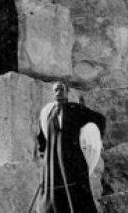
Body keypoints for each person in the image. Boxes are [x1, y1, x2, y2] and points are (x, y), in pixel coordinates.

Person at [31, 81, 106, 213]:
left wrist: (94, 138)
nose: (59, 93)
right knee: (53, 196)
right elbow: (42, 137)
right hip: (53, 162)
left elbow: (100, 119)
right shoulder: (48, 113)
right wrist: (43, 155)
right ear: (52, 94)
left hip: (73, 159)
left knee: (77, 195)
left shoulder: (75, 109)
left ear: (67, 92)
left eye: (61, 90)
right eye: (56, 90)